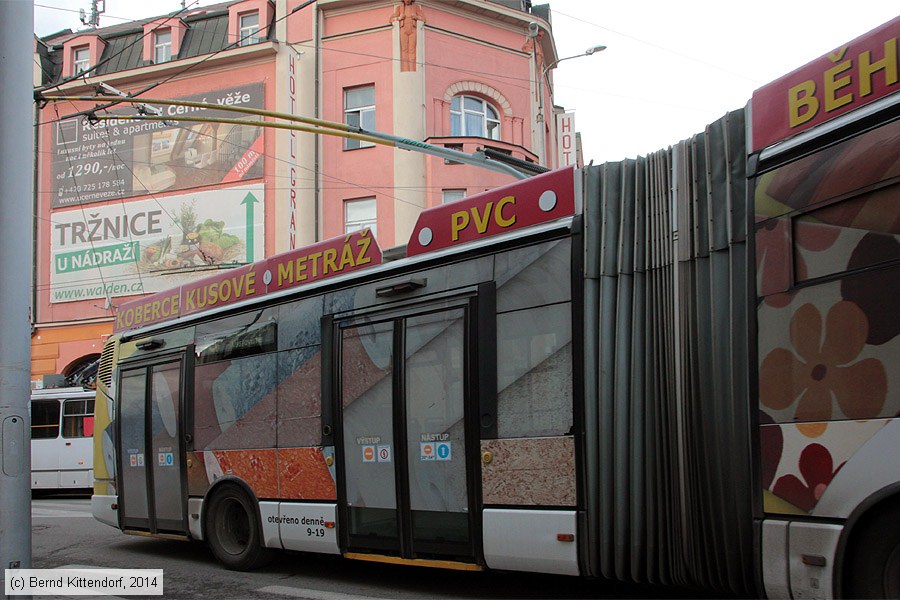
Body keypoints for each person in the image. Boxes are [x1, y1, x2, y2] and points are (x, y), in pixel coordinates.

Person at [390, 0, 426, 72]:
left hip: (413, 29)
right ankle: (405, 69)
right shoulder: (399, 8)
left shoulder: (416, 7)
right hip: (403, 29)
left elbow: (424, 19)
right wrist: (399, 18)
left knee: (412, 50)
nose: (407, 0)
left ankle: (413, 69)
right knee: (404, 50)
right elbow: (391, 19)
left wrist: (416, 17)